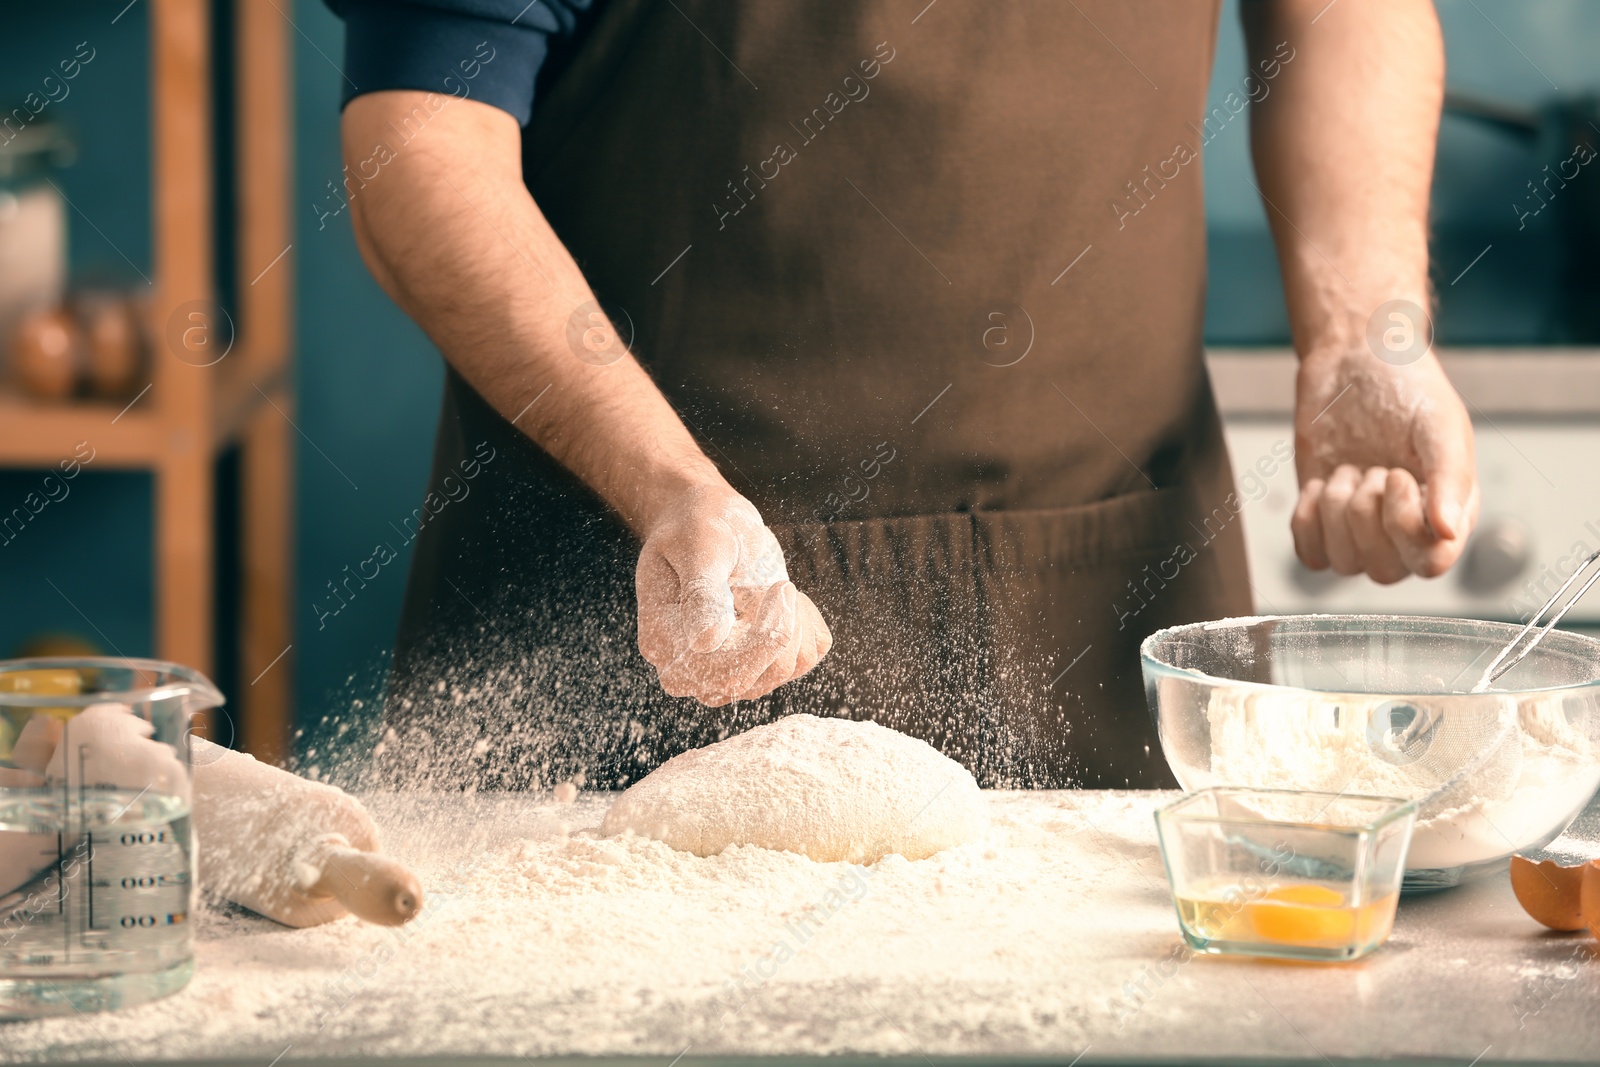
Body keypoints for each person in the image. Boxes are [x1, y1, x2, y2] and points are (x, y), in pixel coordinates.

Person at [328, 0, 1477, 790]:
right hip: (646, 598)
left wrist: (1362, 333)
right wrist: (669, 483)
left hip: (1106, 589)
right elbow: (422, 148)